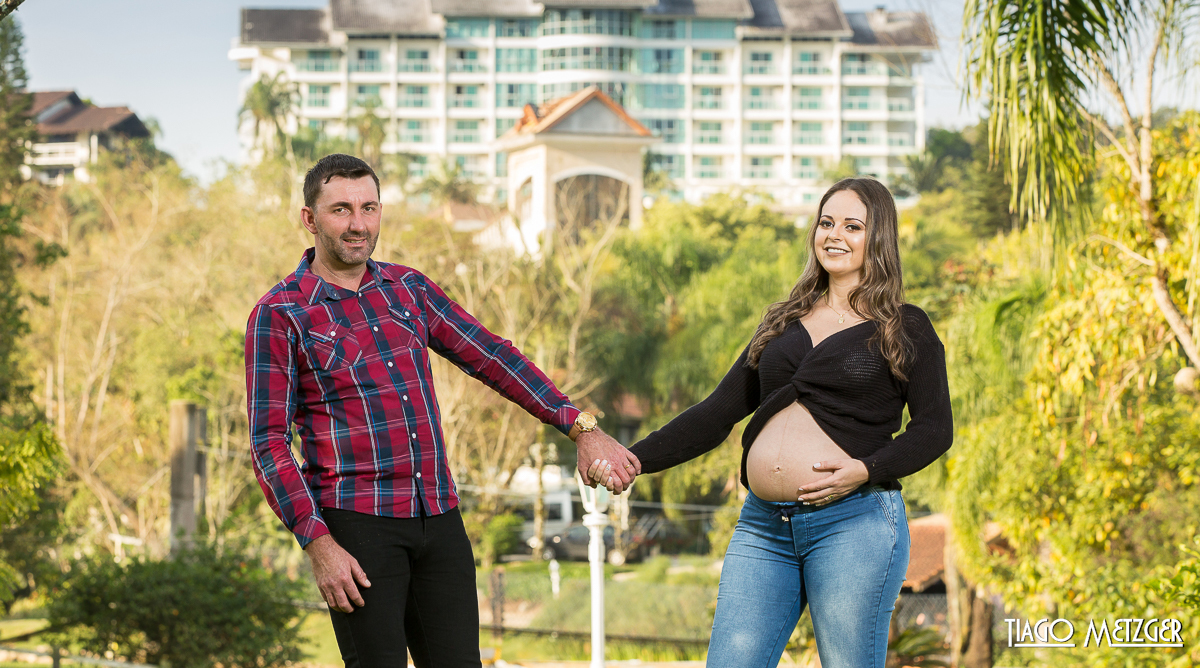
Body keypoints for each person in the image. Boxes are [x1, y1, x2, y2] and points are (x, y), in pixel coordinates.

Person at [245, 154, 639, 668]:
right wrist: (318, 543)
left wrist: (581, 427)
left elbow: (493, 357)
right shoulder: (279, 314)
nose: (358, 224)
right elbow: (268, 445)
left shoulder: (409, 290)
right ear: (309, 218)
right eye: (341, 209)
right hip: (357, 525)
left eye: (369, 207)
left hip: (439, 517)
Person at [615, 177, 953, 668]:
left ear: (877, 238)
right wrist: (634, 459)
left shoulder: (906, 325)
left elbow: (934, 429)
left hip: (853, 522)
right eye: (826, 222)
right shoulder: (782, 321)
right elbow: (717, 412)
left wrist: (866, 468)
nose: (834, 235)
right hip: (763, 526)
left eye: (853, 226)